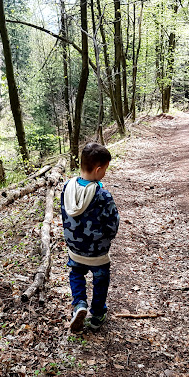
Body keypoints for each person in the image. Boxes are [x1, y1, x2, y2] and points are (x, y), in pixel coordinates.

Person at [60, 143, 119, 333]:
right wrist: (107, 239)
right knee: (100, 280)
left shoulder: (67, 188)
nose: (105, 174)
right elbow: (112, 224)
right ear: (98, 169)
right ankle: (97, 314)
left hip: (74, 249)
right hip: (98, 252)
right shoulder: (103, 195)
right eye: (105, 170)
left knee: (76, 274)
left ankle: (79, 304)